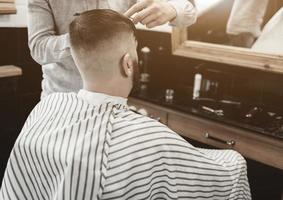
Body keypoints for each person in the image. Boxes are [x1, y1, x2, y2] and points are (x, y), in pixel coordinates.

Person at [0, 9, 251, 200]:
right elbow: (227, 173)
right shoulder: (150, 137)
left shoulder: (49, 106)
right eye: (136, 48)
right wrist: (144, 131)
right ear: (128, 63)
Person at [28, 0, 197, 98]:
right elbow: (38, 47)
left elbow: (189, 12)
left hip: (114, 103)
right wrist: (85, 35)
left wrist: (172, 9)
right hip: (61, 100)